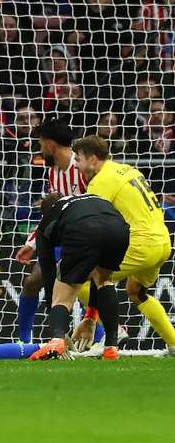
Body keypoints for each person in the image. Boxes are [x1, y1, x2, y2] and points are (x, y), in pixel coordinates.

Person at [72, 135, 175, 357]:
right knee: (136, 292)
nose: (77, 165)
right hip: (163, 241)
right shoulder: (128, 170)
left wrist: (90, 316)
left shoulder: (100, 181)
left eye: (78, 159)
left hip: (141, 243)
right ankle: (174, 343)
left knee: (82, 277)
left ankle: (111, 332)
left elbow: (94, 224)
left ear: (92, 159)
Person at [27, 193, 128, 362]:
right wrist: (90, 318)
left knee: (63, 295)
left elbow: (48, 272)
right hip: (119, 229)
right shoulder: (91, 198)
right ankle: (111, 348)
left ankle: (57, 342)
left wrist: (57, 329)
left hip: (83, 229)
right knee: (103, 279)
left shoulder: (47, 222)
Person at [12, 119, 87, 345]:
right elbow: (52, 213)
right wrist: (32, 244)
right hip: (60, 237)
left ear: (51, 145)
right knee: (32, 282)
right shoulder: (54, 171)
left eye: (41, 143)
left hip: (85, 238)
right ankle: (24, 341)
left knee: (84, 290)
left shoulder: (83, 168)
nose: (40, 149)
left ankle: (102, 337)